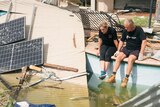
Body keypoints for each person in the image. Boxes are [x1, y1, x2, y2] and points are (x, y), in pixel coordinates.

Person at [106, 18, 147, 88]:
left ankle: (126, 79)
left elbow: (144, 41)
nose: (125, 28)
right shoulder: (125, 30)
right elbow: (121, 41)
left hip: (136, 49)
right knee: (119, 57)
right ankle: (113, 76)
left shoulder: (139, 30)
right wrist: (118, 50)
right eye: (125, 27)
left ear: (131, 26)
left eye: (127, 27)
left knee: (130, 59)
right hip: (127, 48)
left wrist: (141, 53)